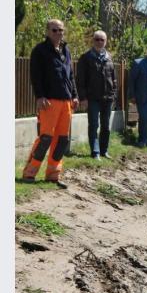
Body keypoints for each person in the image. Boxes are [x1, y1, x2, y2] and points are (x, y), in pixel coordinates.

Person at [21, 19, 79, 188]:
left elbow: (70, 76)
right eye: (54, 30)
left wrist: (74, 95)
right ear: (47, 31)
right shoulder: (40, 50)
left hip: (66, 102)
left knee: (62, 140)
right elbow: (35, 76)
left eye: (60, 30)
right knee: (46, 137)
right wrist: (39, 96)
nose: (58, 33)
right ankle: (29, 173)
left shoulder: (66, 50)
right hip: (49, 102)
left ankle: (53, 175)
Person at [76, 31, 117, 159]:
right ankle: (95, 152)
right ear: (93, 41)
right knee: (94, 125)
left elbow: (114, 78)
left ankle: (104, 151)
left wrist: (114, 94)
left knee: (106, 126)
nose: (99, 42)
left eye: (102, 40)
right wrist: (83, 98)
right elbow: (80, 80)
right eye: (97, 39)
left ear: (106, 42)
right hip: (92, 98)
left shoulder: (109, 57)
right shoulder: (85, 58)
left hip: (107, 98)